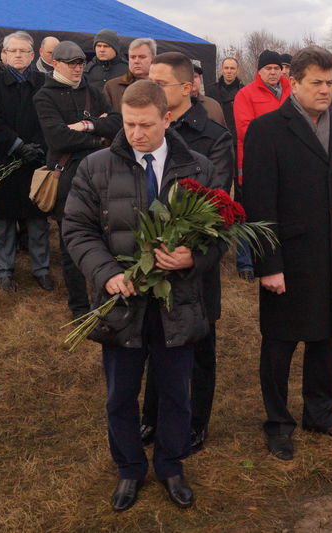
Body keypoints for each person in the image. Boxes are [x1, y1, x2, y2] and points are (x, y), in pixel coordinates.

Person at [63, 80, 222, 512]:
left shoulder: (198, 168)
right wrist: (107, 272)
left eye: (146, 125)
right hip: (122, 303)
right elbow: (76, 230)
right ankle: (130, 469)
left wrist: (192, 257)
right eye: (130, 124)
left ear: (166, 118)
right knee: (120, 393)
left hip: (178, 302)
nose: (136, 134)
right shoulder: (95, 167)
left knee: (174, 390)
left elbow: (221, 233)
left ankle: (171, 465)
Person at [242, 46, 332, 460]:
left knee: (327, 339)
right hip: (289, 257)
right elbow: (258, 203)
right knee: (280, 344)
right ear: (292, 83)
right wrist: (268, 264)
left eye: (329, 82)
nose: (325, 90)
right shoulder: (267, 130)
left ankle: (321, 413)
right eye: (315, 82)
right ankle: (278, 423)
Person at [140, 51, 234, 453]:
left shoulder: (214, 138)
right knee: (154, 342)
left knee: (198, 345)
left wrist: (187, 251)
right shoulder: (145, 129)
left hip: (192, 263)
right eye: (149, 81)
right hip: (151, 258)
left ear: (187, 88)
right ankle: (152, 417)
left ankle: (196, 422)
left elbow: (214, 205)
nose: (152, 89)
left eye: (160, 84)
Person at [34, 40, 122, 318]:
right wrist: (99, 136)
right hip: (67, 178)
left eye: (81, 63)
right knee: (71, 245)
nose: (77, 68)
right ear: (55, 63)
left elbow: (118, 124)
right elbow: (58, 138)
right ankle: (79, 309)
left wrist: (87, 125)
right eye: (71, 63)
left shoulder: (92, 91)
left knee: (107, 238)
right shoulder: (44, 96)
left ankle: (107, 298)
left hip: (101, 176)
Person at [0, 31, 53, 292]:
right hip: (5, 159)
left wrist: (39, 147)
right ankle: (3, 270)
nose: (19, 55)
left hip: (38, 160)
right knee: (4, 219)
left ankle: (41, 269)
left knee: (37, 218)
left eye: (24, 51)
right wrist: (17, 145)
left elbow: (51, 118)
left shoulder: (46, 82)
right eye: (13, 51)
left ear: (33, 55)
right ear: (4, 55)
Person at [233, 50, 291, 281]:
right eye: (268, 69)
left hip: (288, 162)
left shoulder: (291, 92)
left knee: (282, 209)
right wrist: (277, 142)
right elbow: (244, 129)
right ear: (259, 71)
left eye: (277, 68)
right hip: (254, 161)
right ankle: (246, 261)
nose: (273, 72)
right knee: (249, 211)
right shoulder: (246, 94)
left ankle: (278, 258)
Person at [103, 38, 156, 111]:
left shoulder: (165, 85)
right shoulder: (112, 87)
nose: (136, 61)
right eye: (133, 57)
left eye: (142, 57)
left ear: (153, 59)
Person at [205, 57, 244, 144]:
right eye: (226, 68)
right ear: (222, 69)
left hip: (237, 138)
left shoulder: (244, 91)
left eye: (232, 68)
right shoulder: (211, 90)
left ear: (237, 71)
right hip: (217, 136)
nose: (229, 71)